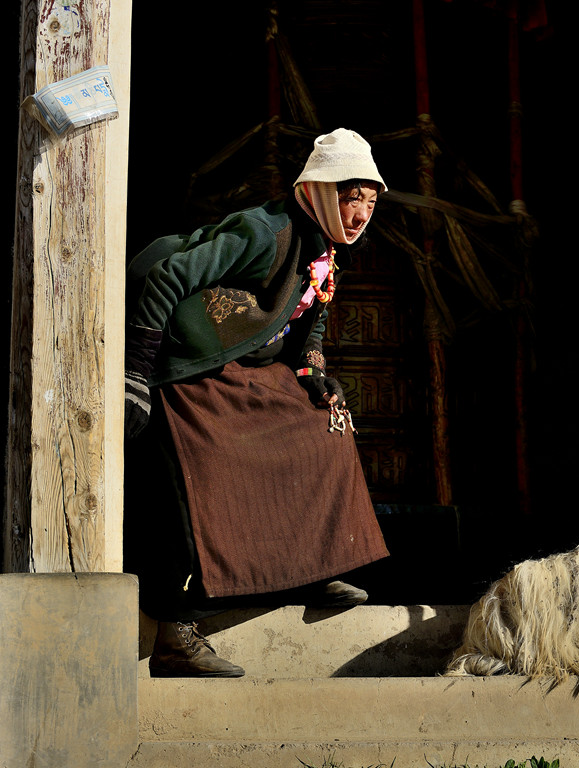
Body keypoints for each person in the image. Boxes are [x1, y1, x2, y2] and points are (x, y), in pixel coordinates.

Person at [123, 128, 390, 678]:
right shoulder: (264, 231)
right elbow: (169, 278)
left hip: (242, 370)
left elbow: (309, 329)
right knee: (196, 473)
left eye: (369, 199)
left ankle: (316, 566)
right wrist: (135, 375)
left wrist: (315, 373)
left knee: (324, 426)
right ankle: (175, 634)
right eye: (350, 196)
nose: (361, 212)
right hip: (187, 367)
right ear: (319, 191)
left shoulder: (326, 250)